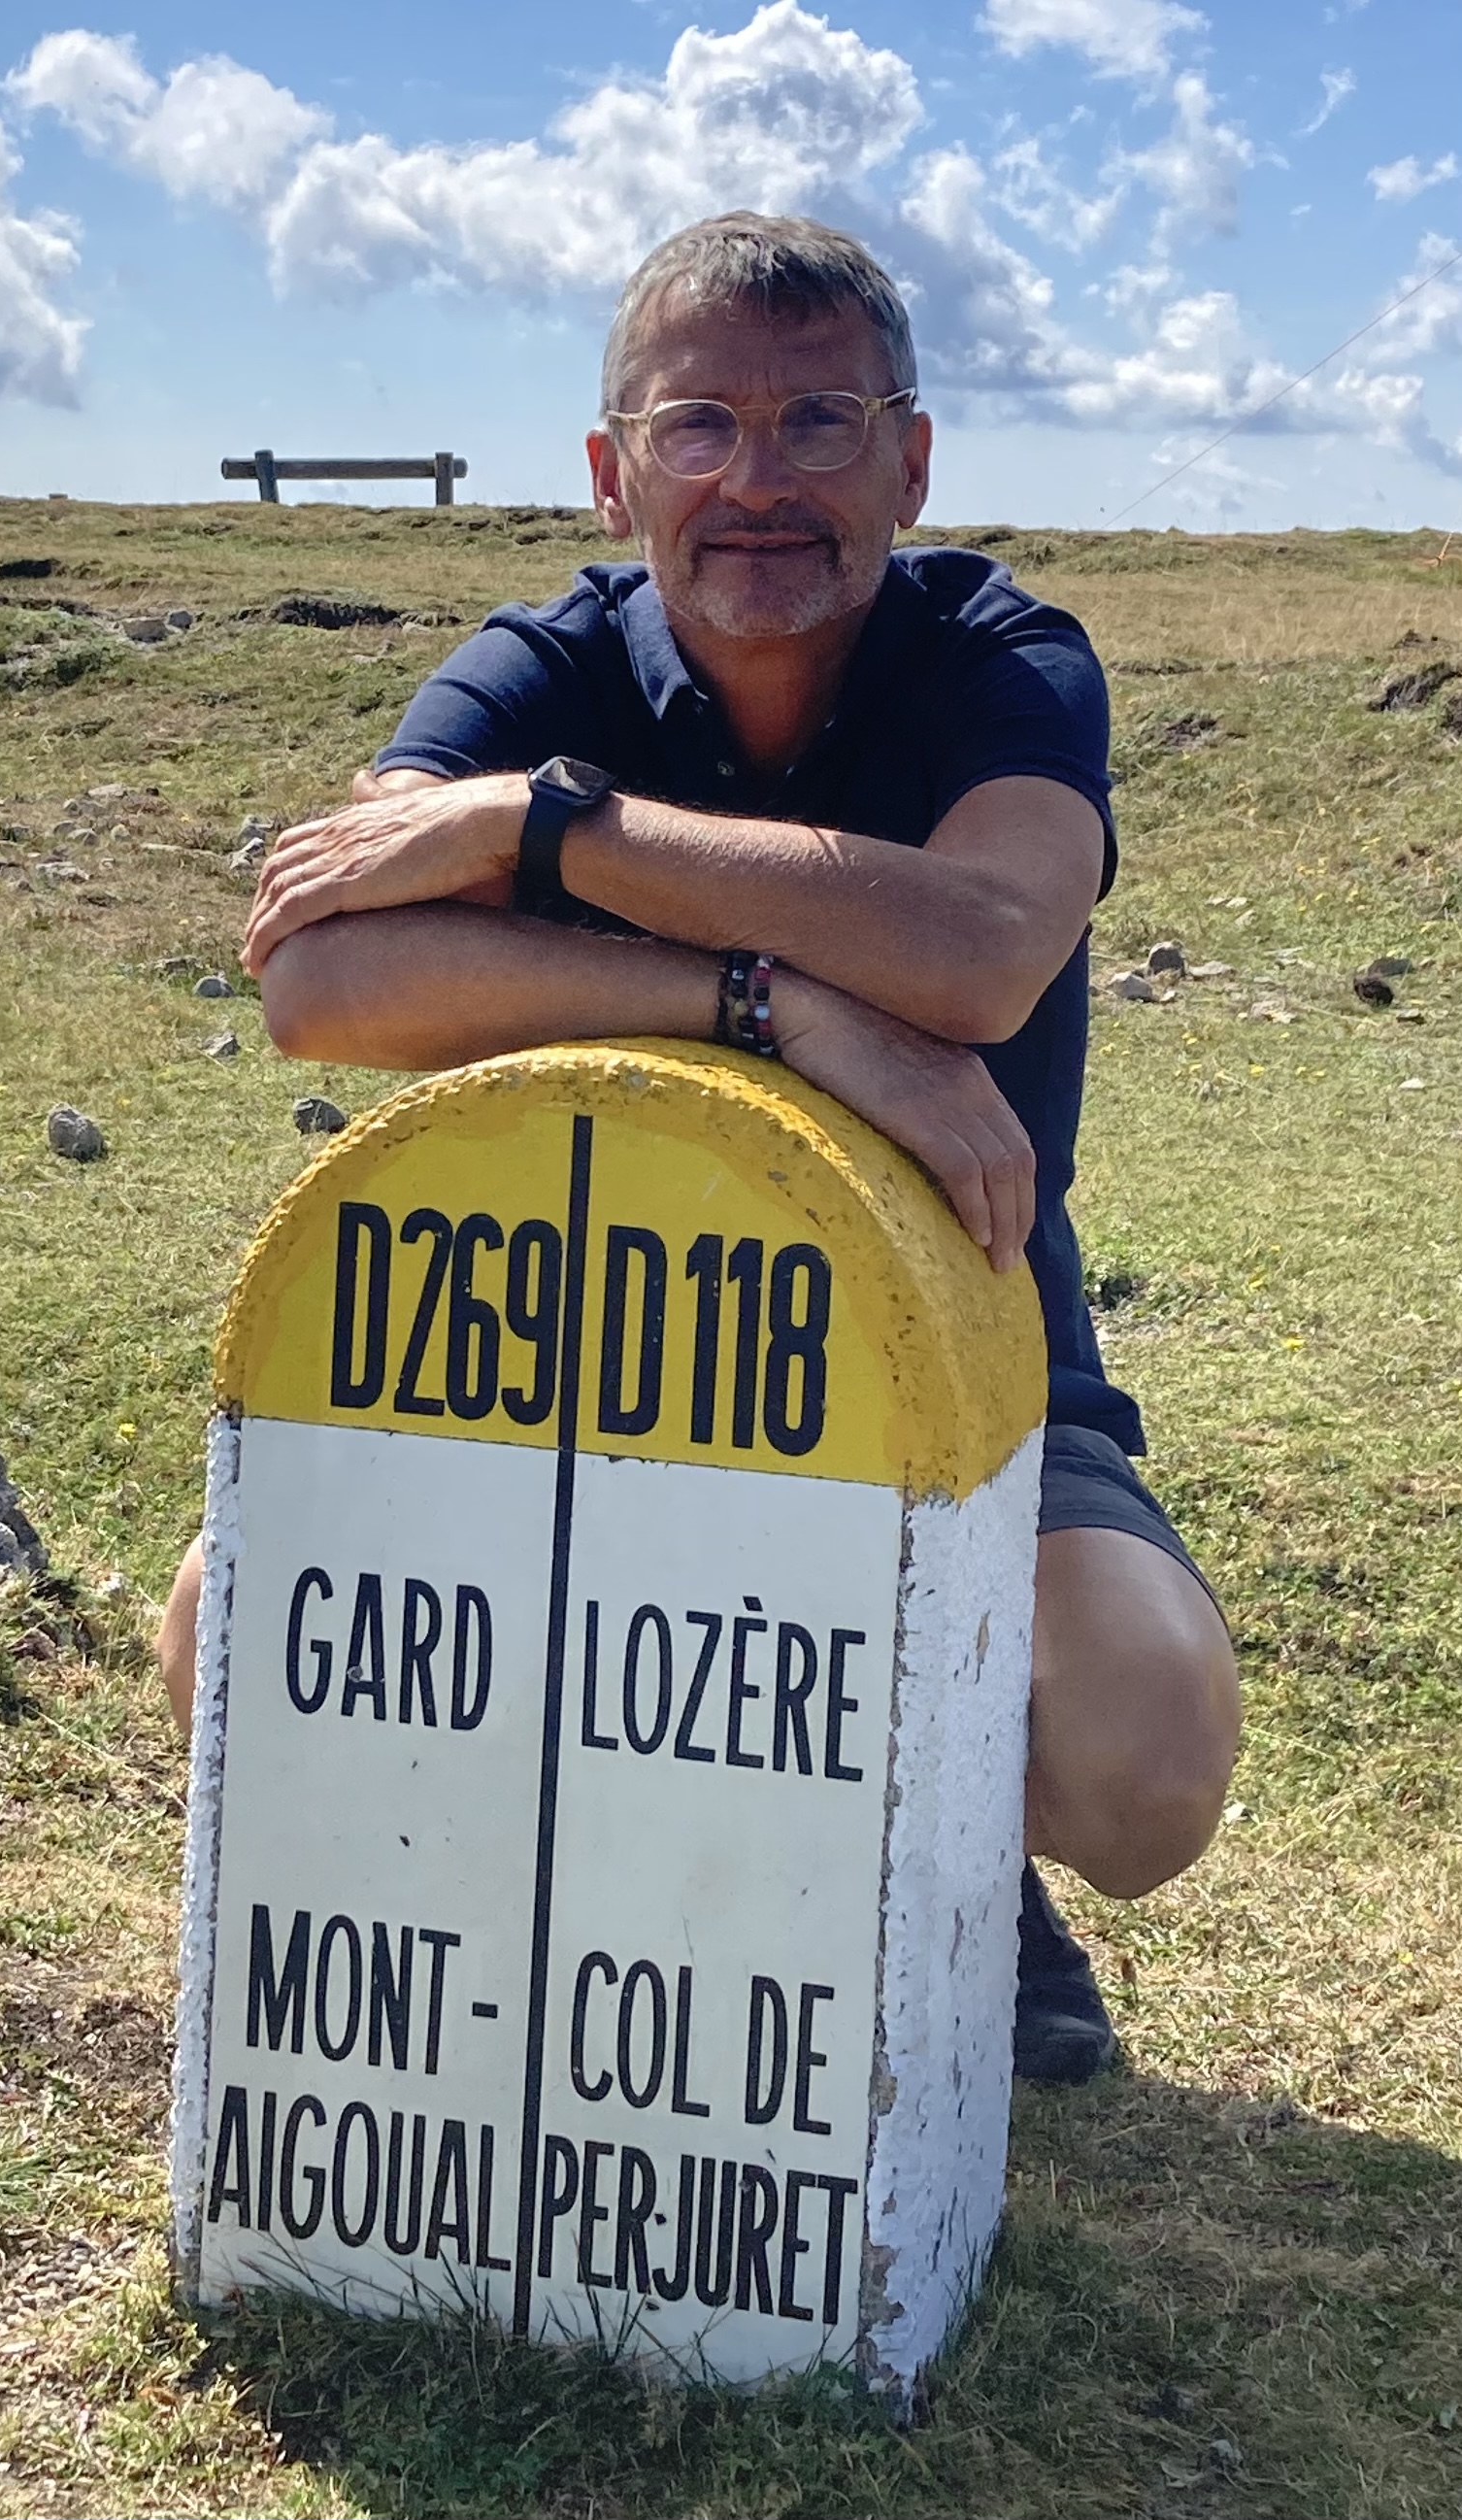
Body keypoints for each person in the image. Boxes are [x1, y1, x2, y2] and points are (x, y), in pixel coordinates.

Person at [156, 212, 1240, 2084]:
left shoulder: (1003, 658)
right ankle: (590, 1882)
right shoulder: (540, 664)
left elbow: (986, 947)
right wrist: (767, 1002)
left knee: (1140, 1759)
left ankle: (946, 1850)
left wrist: (550, 830)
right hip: (567, 1338)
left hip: (955, 1341)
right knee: (221, 1645)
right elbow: (321, 976)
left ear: (911, 461)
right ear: (614, 468)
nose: (758, 481)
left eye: (820, 422)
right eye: (698, 426)